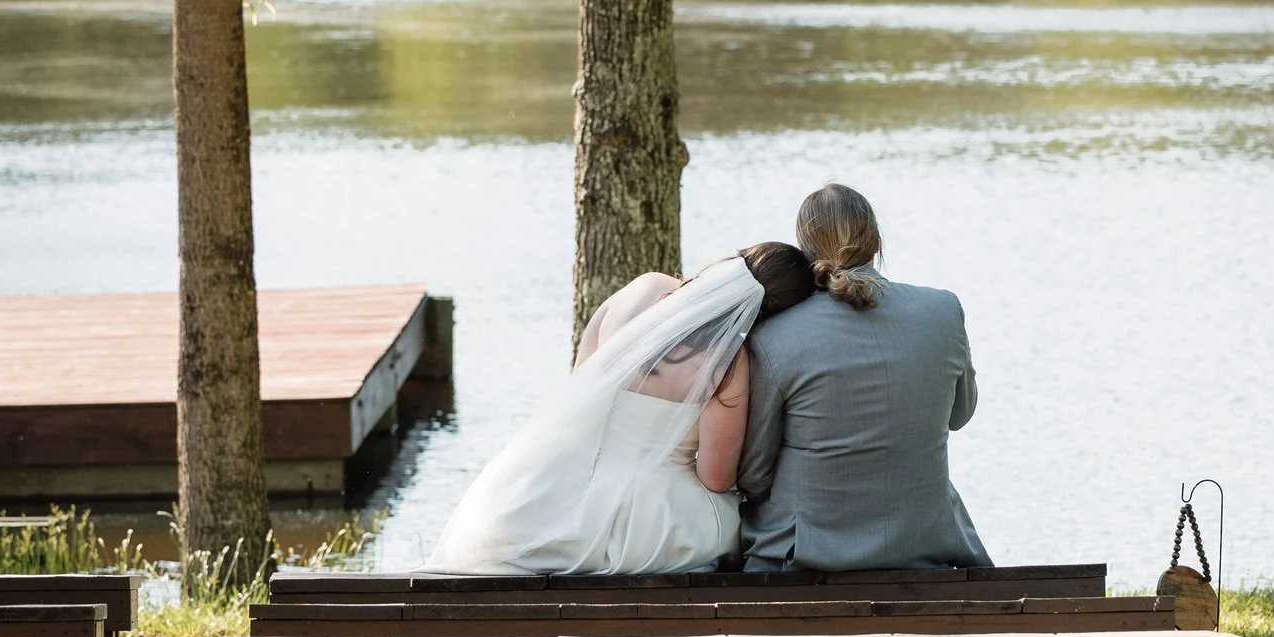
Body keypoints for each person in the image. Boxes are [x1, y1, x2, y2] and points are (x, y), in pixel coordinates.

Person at [421, 242, 815, 574]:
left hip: (560, 485)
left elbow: (579, 395)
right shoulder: (730, 360)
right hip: (648, 517)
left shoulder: (645, 289)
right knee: (728, 524)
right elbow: (714, 476)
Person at [736, 184, 991, 570]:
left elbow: (754, 476)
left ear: (806, 251)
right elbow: (961, 415)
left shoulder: (772, 336)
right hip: (925, 542)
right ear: (876, 241)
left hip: (803, 554)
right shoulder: (943, 310)